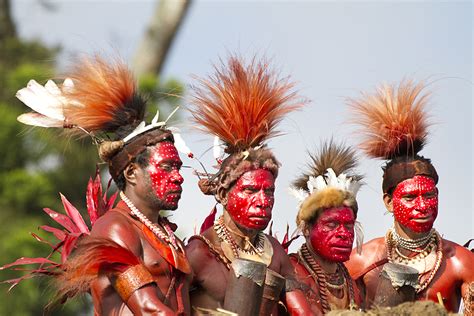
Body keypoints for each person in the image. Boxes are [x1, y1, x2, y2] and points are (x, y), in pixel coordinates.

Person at [3, 56, 192, 315]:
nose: (178, 177)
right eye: (167, 167)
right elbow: (149, 310)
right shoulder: (115, 229)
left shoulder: (166, 235)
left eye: (179, 168)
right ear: (132, 172)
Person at [185, 55, 312, 315]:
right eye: (250, 190)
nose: (263, 201)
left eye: (269, 191)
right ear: (222, 194)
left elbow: (303, 312)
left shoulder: (275, 253)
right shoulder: (199, 252)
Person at [345, 80, 474, 314]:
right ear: (388, 201)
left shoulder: (461, 262)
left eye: (429, 195)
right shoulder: (361, 262)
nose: (423, 205)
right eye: (411, 197)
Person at [288, 141, 363, 314]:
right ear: (306, 228)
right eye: (332, 224)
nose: (344, 234)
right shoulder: (290, 271)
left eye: (349, 225)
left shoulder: (351, 284)